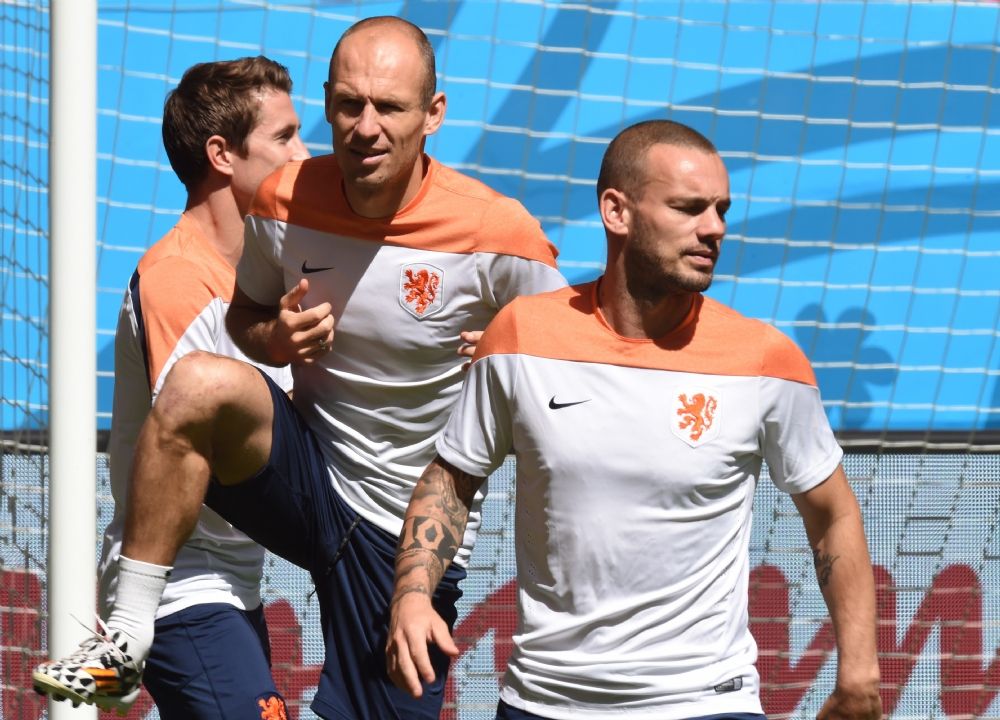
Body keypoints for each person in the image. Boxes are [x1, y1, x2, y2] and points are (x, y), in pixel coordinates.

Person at [34, 15, 566, 720]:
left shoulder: (500, 234)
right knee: (199, 383)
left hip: (400, 534)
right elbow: (237, 338)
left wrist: (508, 354)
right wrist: (274, 338)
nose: (362, 128)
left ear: (434, 113)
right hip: (248, 532)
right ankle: (126, 638)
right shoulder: (265, 217)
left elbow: (567, 370)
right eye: (346, 106)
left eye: (389, 107)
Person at [386, 120, 883, 720]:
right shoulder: (520, 335)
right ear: (616, 212)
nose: (715, 228)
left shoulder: (765, 361)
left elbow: (833, 513)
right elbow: (452, 477)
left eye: (721, 209)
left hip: (706, 702)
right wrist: (412, 595)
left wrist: (860, 673)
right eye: (688, 208)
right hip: (543, 702)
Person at [31, 57, 309, 716]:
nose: (304, 154)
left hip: (235, 586)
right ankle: (123, 646)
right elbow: (196, 456)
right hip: (182, 590)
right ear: (221, 154)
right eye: (284, 137)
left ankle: (120, 661)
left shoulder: (275, 273)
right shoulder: (175, 278)